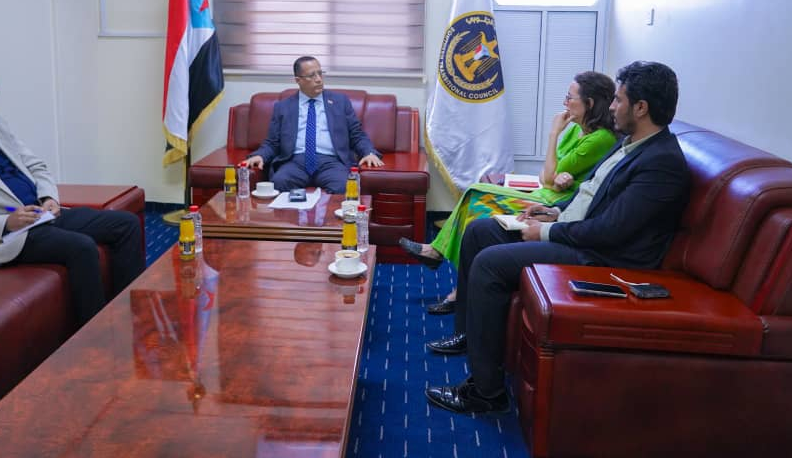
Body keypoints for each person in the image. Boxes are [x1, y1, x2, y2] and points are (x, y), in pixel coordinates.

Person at [423, 61, 691, 415]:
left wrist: (546, 230)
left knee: (490, 264)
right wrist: (553, 211)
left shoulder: (661, 162)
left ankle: (486, 392)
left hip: (602, 258)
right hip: (578, 232)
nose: (612, 106)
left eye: (619, 100)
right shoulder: (630, 144)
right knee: (480, 230)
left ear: (641, 108)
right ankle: (470, 336)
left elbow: (611, 231)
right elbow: (591, 194)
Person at [0, 62, 146, 325]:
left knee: (126, 224)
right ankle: (94, 337)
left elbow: (35, 166)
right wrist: (6, 222)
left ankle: (129, 320)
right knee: (81, 247)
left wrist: (49, 197)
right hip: (8, 236)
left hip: (41, 214)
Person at [398, 71, 618, 314]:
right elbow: (546, 177)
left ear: (589, 103)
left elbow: (547, 177)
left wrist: (553, 134)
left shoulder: (600, 139)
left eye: (570, 97)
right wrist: (554, 178)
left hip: (555, 204)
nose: (565, 103)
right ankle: (444, 262)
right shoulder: (578, 129)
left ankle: (448, 269)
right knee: (474, 193)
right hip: (547, 193)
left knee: (478, 203)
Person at [242, 56, 384, 194]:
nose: (319, 79)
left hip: (331, 162)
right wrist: (260, 155)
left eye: (320, 73)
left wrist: (368, 152)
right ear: (298, 80)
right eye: (312, 75)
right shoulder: (283, 107)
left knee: (344, 186)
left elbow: (356, 134)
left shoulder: (340, 102)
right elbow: (272, 142)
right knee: (279, 182)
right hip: (295, 162)